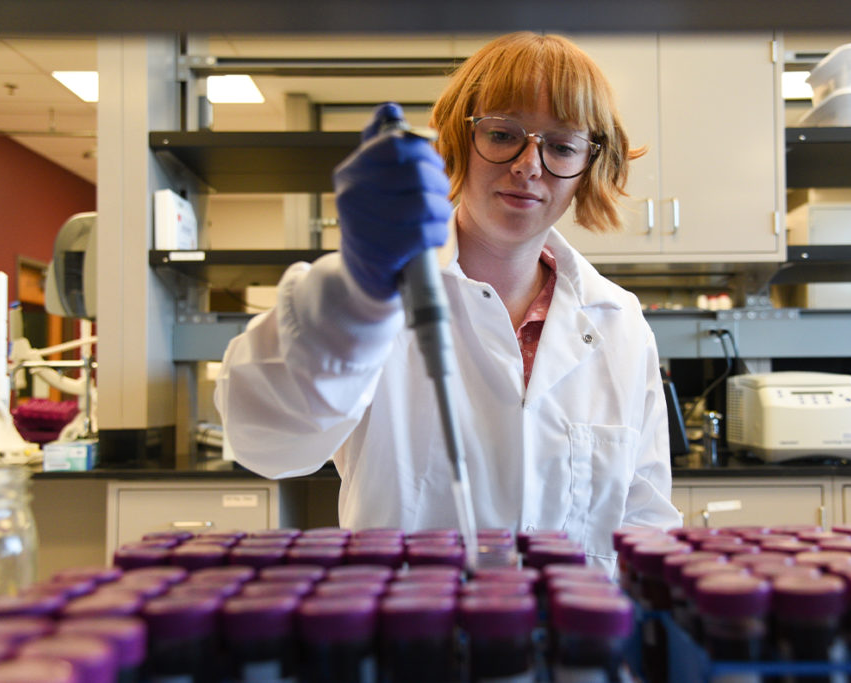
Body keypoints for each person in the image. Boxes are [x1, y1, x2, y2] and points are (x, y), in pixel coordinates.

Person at [214, 32, 682, 573]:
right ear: (460, 140)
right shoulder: (376, 296)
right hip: (415, 639)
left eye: (560, 145)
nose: (530, 165)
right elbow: (265, 440)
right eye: (504, 134)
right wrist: (360, 289)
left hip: (573, 643)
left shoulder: (620, 324)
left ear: (587, 164)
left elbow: (643, 519)